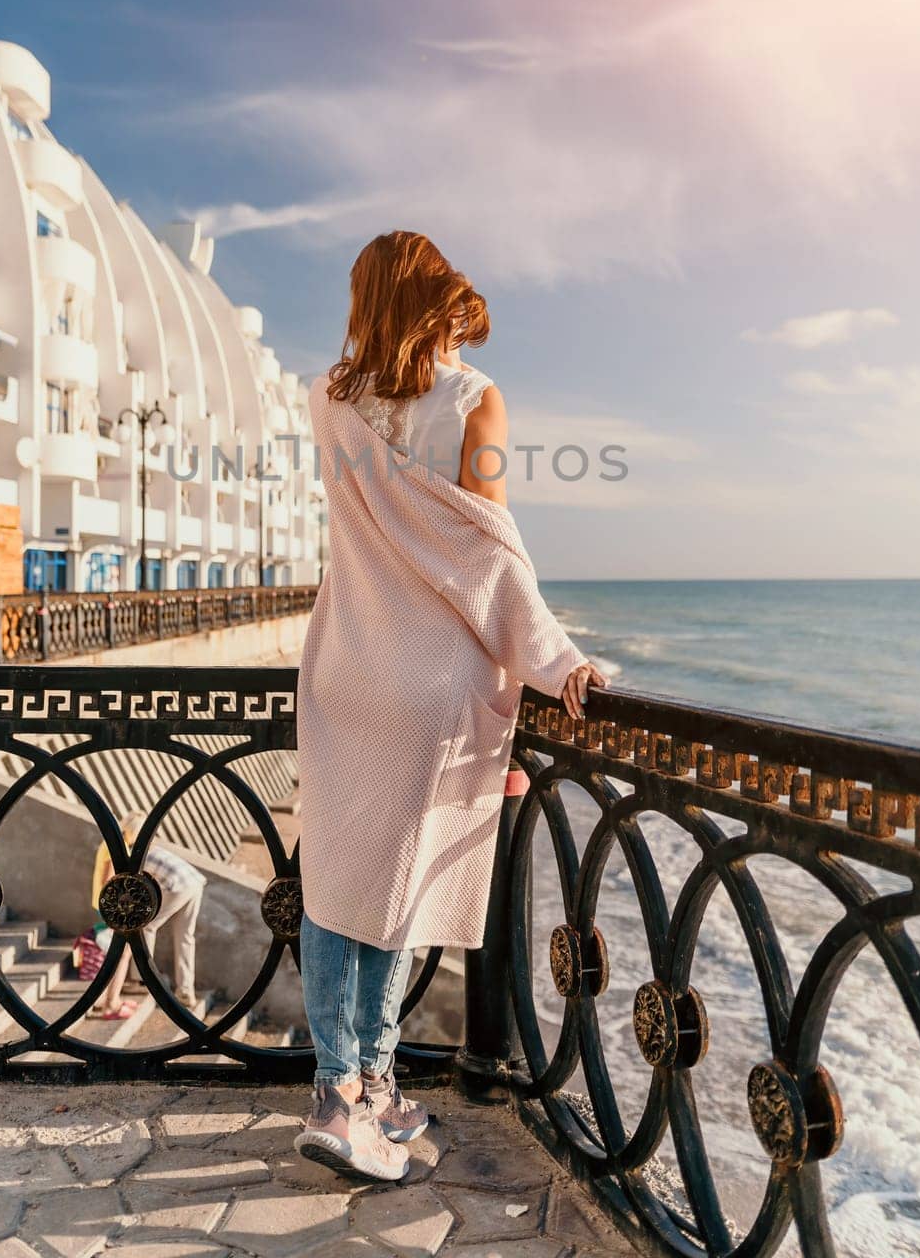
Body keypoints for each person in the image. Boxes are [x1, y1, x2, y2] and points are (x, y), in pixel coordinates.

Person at [293, 231, 608, 1182]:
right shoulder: (474, 399)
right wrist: (557, 661)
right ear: (439, 301)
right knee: (401, 888)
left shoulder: (326, 397)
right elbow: (486, 551)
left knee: (338, 883)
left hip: (346, 665)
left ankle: (346, 1088)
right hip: (432, 684)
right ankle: (361, 1092)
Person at [90, 811, 207, 1017]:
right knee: (185, 937)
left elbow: (131, 885)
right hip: (194, 881)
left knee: (146, 926)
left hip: (179, 886)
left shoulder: (133, 853)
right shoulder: (146, 848)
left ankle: (140, 979)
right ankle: (186, 991)